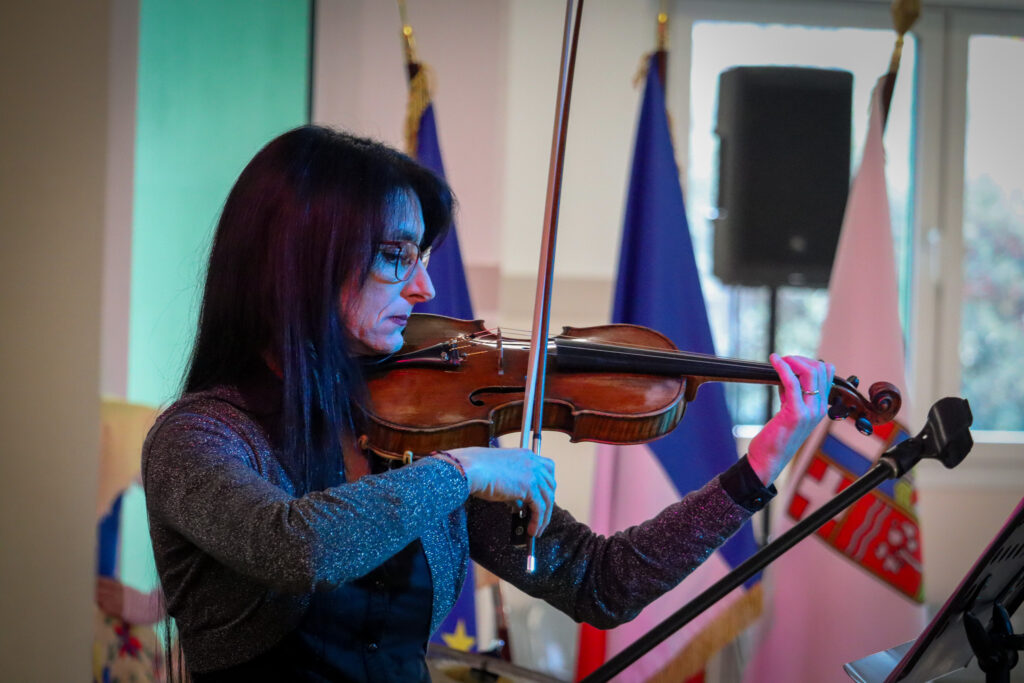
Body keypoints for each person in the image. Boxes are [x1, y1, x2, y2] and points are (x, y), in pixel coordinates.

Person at [142, 125, 835, 681]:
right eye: (395, 255)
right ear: (301, 257)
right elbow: (295, 546)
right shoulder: (201, 436)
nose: (425, 290)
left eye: (424, 257)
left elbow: (601, 582)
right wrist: (461, 471)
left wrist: (760, 465)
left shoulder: (413, 425)